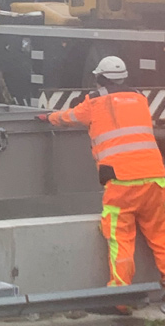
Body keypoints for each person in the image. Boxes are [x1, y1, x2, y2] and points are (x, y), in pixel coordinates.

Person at [37, 56, 165, 298]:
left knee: (121, 238)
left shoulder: (95, 102)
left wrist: (49, 117)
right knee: (161, 235)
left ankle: (120, 296)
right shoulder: (140, 99)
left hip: (122, 182)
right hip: (156, 178)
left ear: (99, 79)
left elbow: (70, 117)